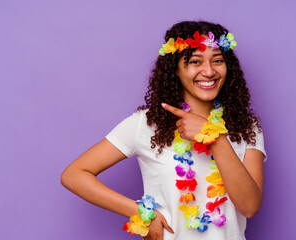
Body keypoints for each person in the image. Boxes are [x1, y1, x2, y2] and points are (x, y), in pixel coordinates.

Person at [61, 21, 266, 240]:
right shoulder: (147, 123)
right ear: (175, 70)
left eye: (217, 61)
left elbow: (250, 207)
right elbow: (74, 175)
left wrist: (215, 138)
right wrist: (137, 212)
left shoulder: (246, 127)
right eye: (195, 61)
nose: (208, 71)